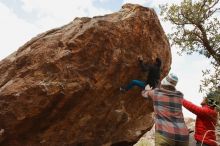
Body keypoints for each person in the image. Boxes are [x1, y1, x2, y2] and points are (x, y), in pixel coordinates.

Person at [142, 73, 189, 146]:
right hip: (183, 136)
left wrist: (147, 89)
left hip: (165, 135)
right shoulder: (180, 96)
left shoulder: (156, 93)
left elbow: (144, 94)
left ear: (164, 82)